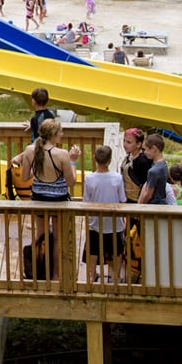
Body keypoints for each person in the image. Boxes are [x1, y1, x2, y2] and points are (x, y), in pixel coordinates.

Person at [12, 119, 79, 278]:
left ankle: (39, 271)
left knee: (40, 236)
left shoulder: (29, 150)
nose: (62, 134)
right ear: (54, 135)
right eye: (60, 132)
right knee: (57, 238)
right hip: (58, 200)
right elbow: (71, 182)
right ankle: (56, 274)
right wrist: (73, 162)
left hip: (38, 198)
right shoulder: (62, 154)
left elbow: (26, 176)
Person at [83, 145, 126, 282]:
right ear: (110, 160)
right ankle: (116, 276)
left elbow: (86, 201)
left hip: (95, 222)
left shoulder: (89, 179)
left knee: (93, 249)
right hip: (114, 222)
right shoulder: (118, 178)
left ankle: (92, 274)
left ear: (94, 158)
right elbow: (122, 200)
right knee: (116, 250)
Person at [138, 133, 172, 205]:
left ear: (153, 149)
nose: (144, 152)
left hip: (154, 205)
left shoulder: (154, 171)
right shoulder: (163, 164)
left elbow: (148, 194)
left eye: (146, 149)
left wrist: (140, 206)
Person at [119, 127, 150, 204]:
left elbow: (145, 184)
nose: (124, 144)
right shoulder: (130, 155)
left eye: (129, 142)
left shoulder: (142, 161)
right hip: (126, 198)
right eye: (124, 141)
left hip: (136, 200)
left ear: (138, 144)